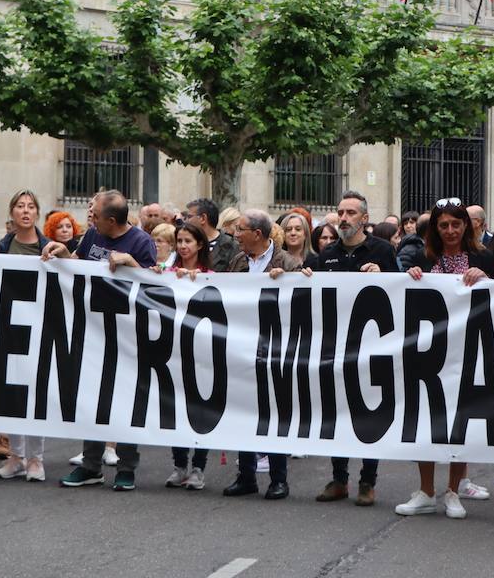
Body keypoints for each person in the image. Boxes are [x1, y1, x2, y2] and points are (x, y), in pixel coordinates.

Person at [46, 190, 157, 490]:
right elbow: (78, 264)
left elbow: (155, 287)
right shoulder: (93, 235)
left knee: (124, 398)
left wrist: (132, 263)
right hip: (92, 329)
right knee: (92, 397)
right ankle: (91, 465)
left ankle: (126, 467)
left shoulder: (141, 243)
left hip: (127, 334)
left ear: (112, 220)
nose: (90, 217)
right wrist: (63, 255)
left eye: (95, 214)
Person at [396, 197, 494, 520]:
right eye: (444, 225)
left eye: (456, 224)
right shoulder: (423, 257)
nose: (451, 230)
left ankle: (453, 491)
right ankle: (426, 491)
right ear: (435, 229)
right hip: (428, 352)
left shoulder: (484, 256)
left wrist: (487, 278)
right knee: (426, 421)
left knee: (460, 423)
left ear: (467, 225)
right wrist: (410, 276)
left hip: (468, 351)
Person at [312, 191, 397, 507]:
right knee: (337, 413)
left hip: (372, 347)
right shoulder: (327, 254)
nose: (343, 218)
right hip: (337, 346)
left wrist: (384, 276)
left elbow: (399, 293)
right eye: (340, 212)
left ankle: (368, 481)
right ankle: (339, 479)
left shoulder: (383, 250)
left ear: (364, 218)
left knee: (369, 413)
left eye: (350, 212)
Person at [221, 209, 309, 501]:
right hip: (242, 346)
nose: (235, 234)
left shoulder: (288, 262)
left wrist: (294, 279)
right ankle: (246, 476)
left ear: (257, 234)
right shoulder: (237, 261)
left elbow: (303, 301)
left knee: (274, 412)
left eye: (240, 229)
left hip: (275, 347)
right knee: (244, 410)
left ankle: (278, 479)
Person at [0, 190, 53, 482]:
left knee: (36, 393)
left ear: (37, 213)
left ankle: (36, 459)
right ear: (12, 213)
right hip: (9, 327)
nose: (25, 211)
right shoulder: (1, 247)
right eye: (19, 206)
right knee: (11, 392)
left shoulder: (49, 247)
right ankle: (16, 455)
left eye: (30, 207)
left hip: (40, 327)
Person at [159, 222, 214, 491]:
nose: (182, 246)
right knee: (176, 408)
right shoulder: (168, 274)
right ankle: (180, 465)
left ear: (200, 245)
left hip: (202, 355)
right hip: (174, 353)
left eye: (188, 241)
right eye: (179, 241)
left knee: (200, 409)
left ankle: (199, 468)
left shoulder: (211, 276)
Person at [186, 198, 240, 272]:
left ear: (203, 218)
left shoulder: (232, 246)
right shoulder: (185, 244)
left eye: (189, 217)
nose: (186, 221)